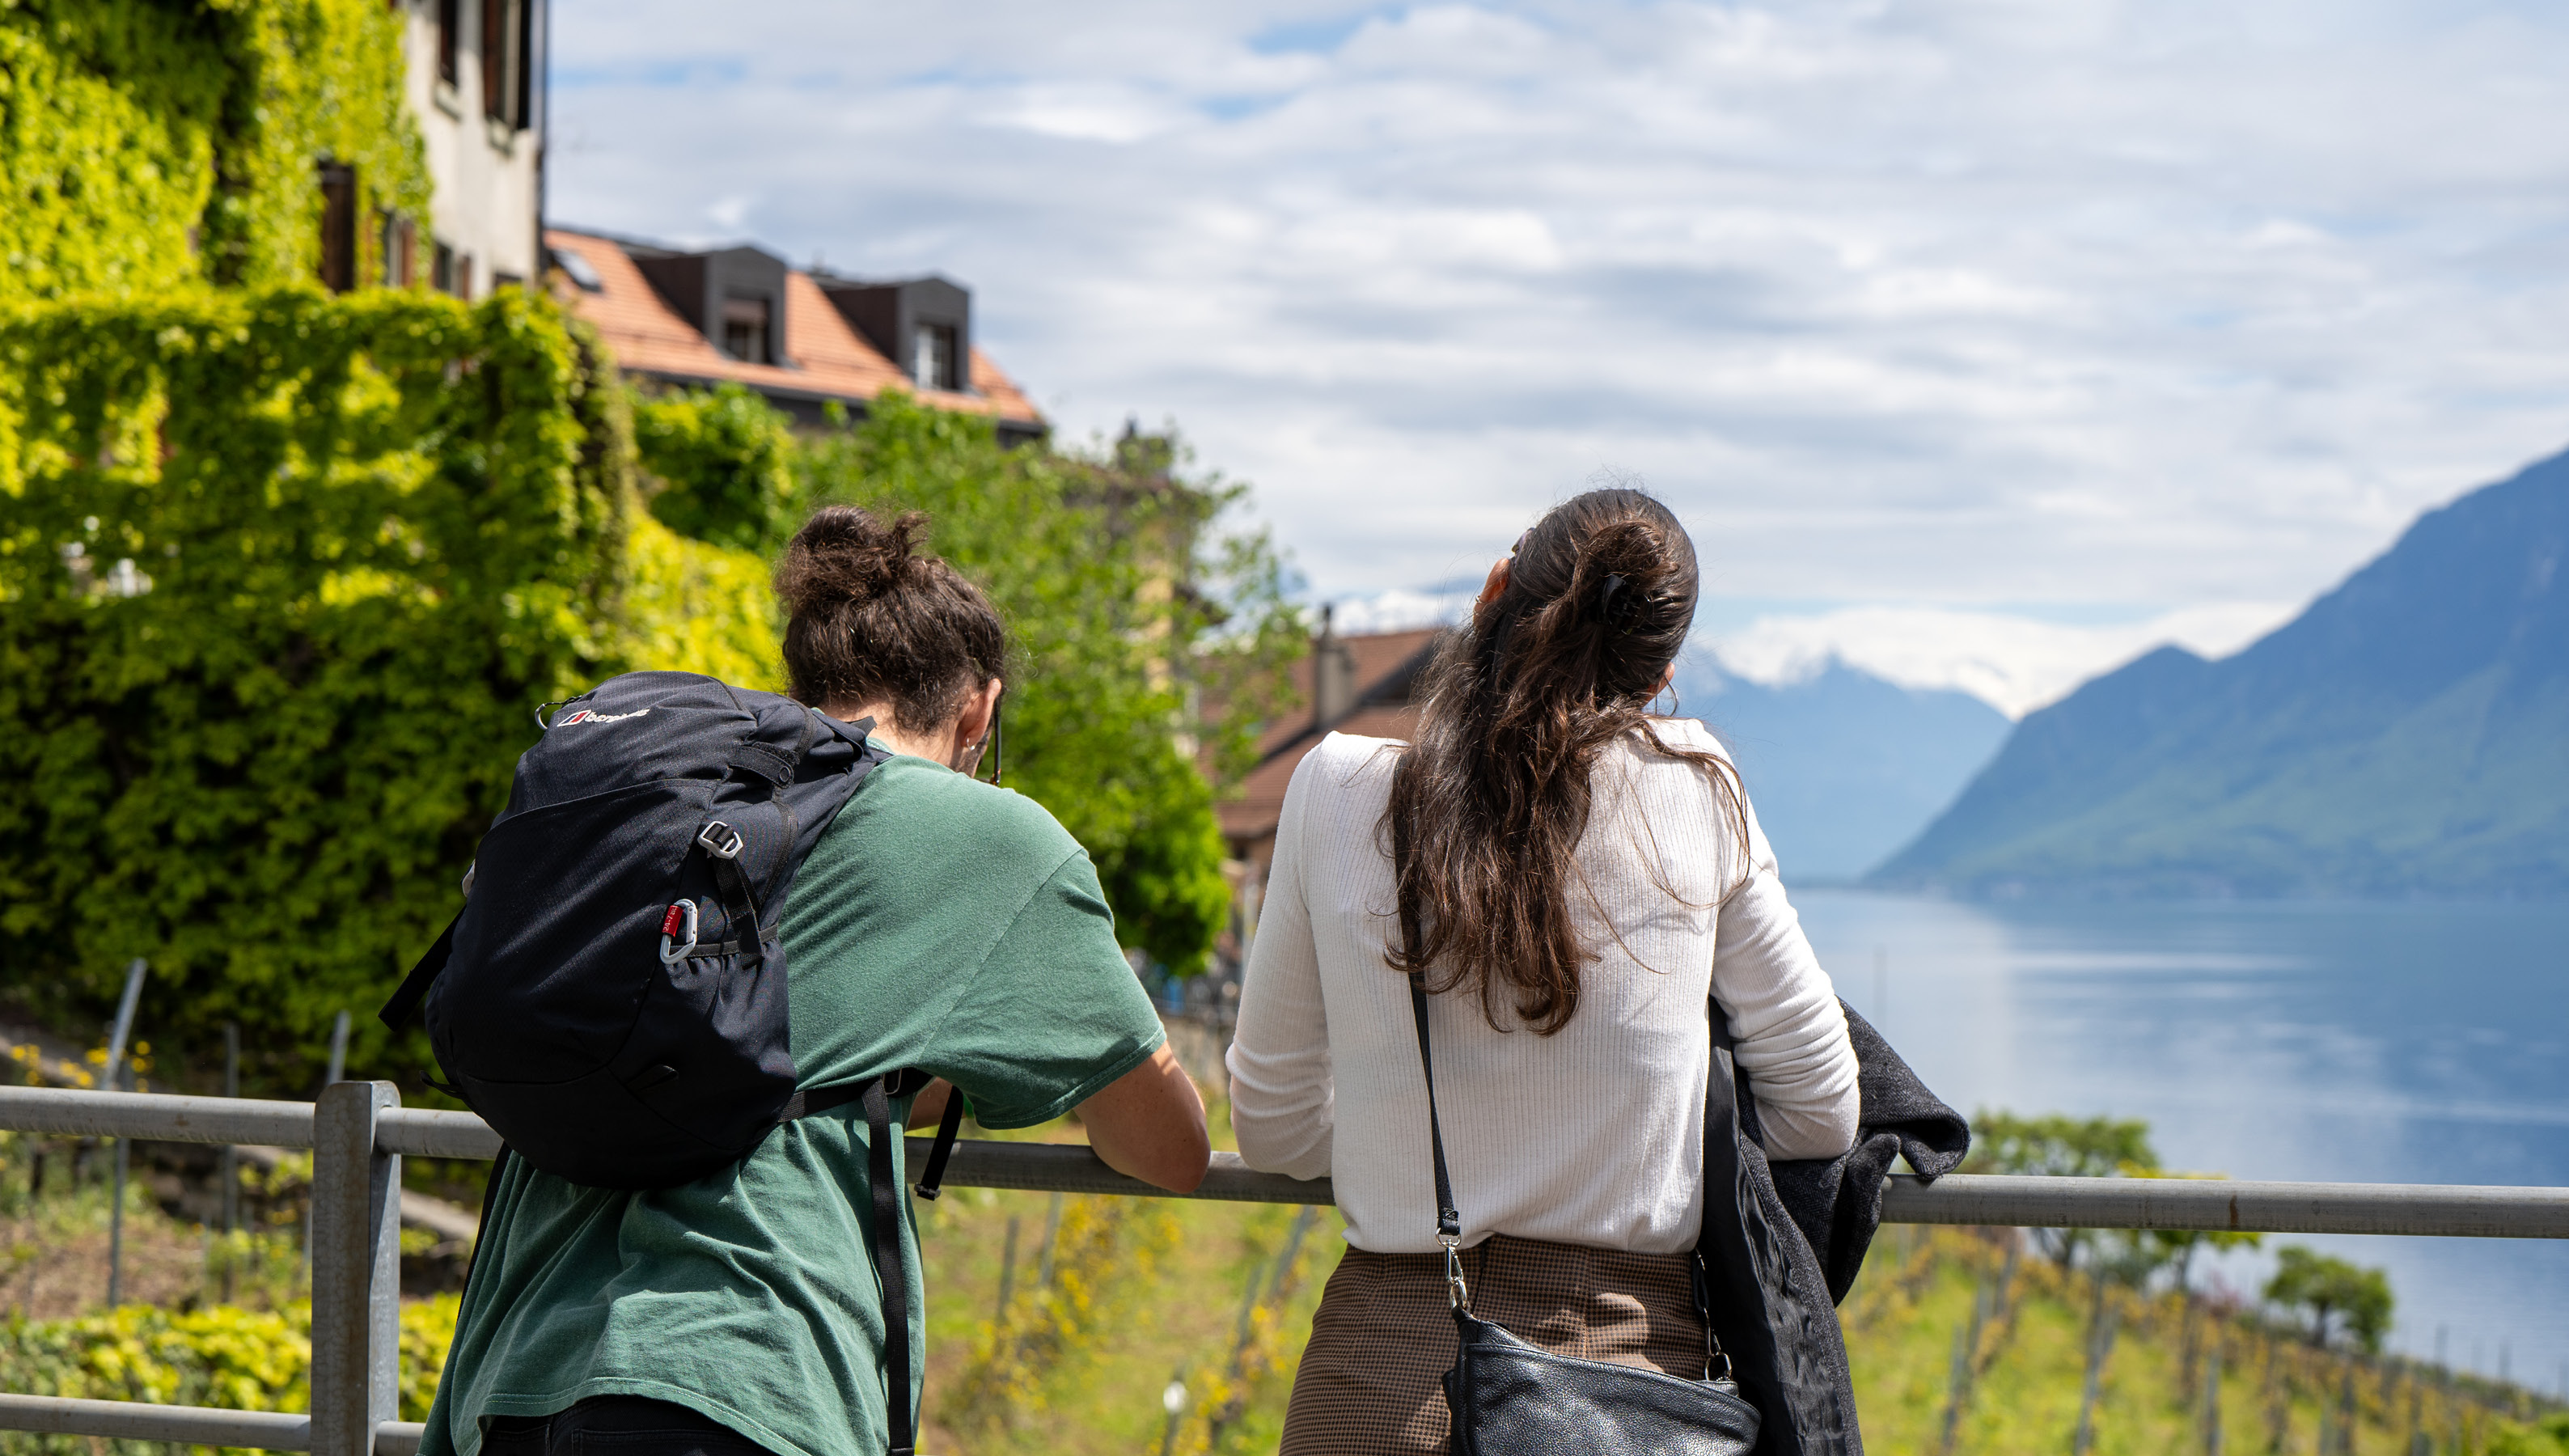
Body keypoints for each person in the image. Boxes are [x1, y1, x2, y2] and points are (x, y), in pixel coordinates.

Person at [421, 506, 1213, 1456]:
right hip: (747, 1372)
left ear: (800, 683)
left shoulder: (688, 799)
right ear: (979, 710)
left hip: (512, 1371)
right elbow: (1168, 1151)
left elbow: (752, 1056)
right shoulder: (992, 839)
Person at [1229, 488, 1863, 1455]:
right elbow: (1819, 1106)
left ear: (1492, 593)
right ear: (1658, 681)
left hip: (1373, 1384)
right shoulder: (1697, 788)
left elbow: (1270, 1128)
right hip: (1622, 1387)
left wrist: (1395, 1138)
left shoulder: (1334, 787)